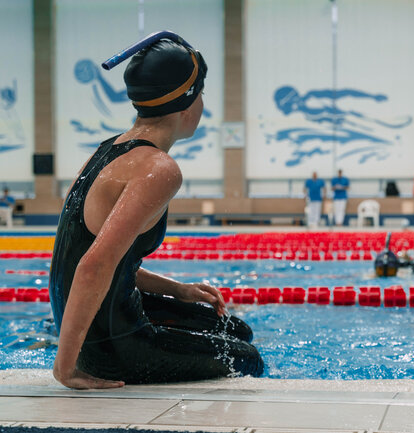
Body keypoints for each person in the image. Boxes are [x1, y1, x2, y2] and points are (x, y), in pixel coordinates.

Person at [49, 35, 263, 390]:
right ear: (188, 105)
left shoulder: (108, 150)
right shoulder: (158, 169)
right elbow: (93, 266)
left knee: (235, 329)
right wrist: (66, 368)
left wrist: (178, 290)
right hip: (112, 345)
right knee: (246, 358)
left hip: (97, 323)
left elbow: (94, 259)